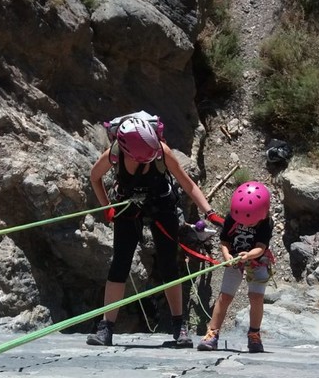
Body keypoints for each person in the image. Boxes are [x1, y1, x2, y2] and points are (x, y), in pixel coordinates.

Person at [86, 114, 219, 347]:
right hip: (129, 205)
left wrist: (208, 212)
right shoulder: (115, 153)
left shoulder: (161, 152)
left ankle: (179, 326)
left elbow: (187, 184)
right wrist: (106, 207)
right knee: (120, 263)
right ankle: (106, 327)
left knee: (168, 264)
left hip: (162, 204)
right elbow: (95, 177)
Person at [197, 181, 274, 353]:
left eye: (250, 223)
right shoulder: (232, 217)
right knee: (225, 296)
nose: (246, 225)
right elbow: (224, 241)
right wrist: (226, 255)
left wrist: (248, 255)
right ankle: (212, 333)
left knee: (256, 297)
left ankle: (254, 335)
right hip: (234, 259)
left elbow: (261, 247)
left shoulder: (266, 223)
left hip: (257, 260)